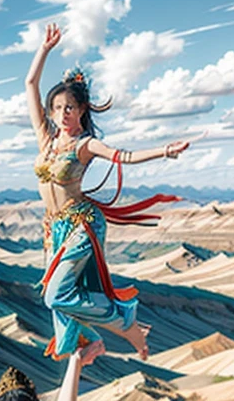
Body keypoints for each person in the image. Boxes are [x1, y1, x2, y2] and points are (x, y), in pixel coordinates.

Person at [26, 22, 190, 361]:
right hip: (54, 228)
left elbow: (125, 157)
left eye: (69, 108)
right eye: (56, 108)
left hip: (82, 224)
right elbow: (30, 83)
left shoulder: (86, 145)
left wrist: (165, 151)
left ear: (83, 109)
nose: (62, 114)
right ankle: (90, 340)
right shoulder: (46, 137)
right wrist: (44, 50)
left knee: (55, 296)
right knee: (58, 295)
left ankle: (124, 322)